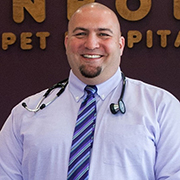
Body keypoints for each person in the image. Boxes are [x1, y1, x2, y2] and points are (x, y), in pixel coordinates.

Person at [0, 2, 180, 180]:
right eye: (80, 34)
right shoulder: (26, 113)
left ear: (120, 44)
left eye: (103, 34)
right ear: (67, 42)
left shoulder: (161, 107)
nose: (91, 44)